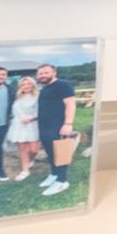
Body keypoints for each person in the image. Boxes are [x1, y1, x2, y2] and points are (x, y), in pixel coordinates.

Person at [36, 63, 77, 197]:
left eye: (46, 72)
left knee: (60, 153)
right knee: (50, 153)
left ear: (54, 73)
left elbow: (70, 104)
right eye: (40, 73)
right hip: (44, 127)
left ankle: (62, 181)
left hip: (58, 126)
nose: (42, 75)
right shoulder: (44, 89)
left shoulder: (62, 85)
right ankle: (54, 174)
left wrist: (68, 123)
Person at [8, 76, 39, 181]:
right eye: (23, 84)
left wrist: (31, 117)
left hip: (33, 125)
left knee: (33, 149)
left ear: (33, 85)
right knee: (23, 149)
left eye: (28, 84)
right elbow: (14, 110)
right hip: (19, 125)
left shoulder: (37, 97)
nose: (26, 86)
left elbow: (41, 111)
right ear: (20, 86)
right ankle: (25, 170)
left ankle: (31, 159)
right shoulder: (17, 97)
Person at [0, 66, 11, 182]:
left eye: (3, 74)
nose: (0, 76)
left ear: (6, 76)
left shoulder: (10, 90)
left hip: (2, 125)